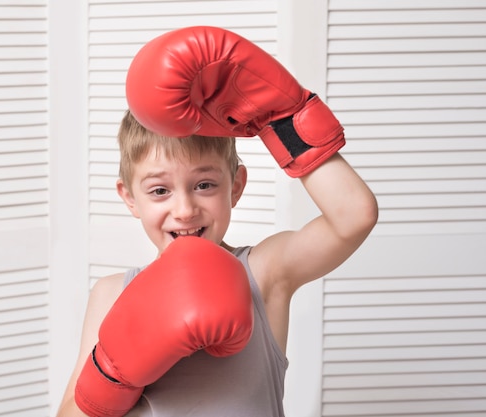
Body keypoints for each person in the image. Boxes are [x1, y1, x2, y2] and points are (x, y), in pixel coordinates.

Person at [57, 26, 378, 417]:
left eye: (204, 184)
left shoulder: (264, 272)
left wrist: (281, 118)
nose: (185, 209)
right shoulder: (110, 294)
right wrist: (113, 375)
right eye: (160, 191)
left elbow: (353, 217)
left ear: (236, 187)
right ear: (130, 198)